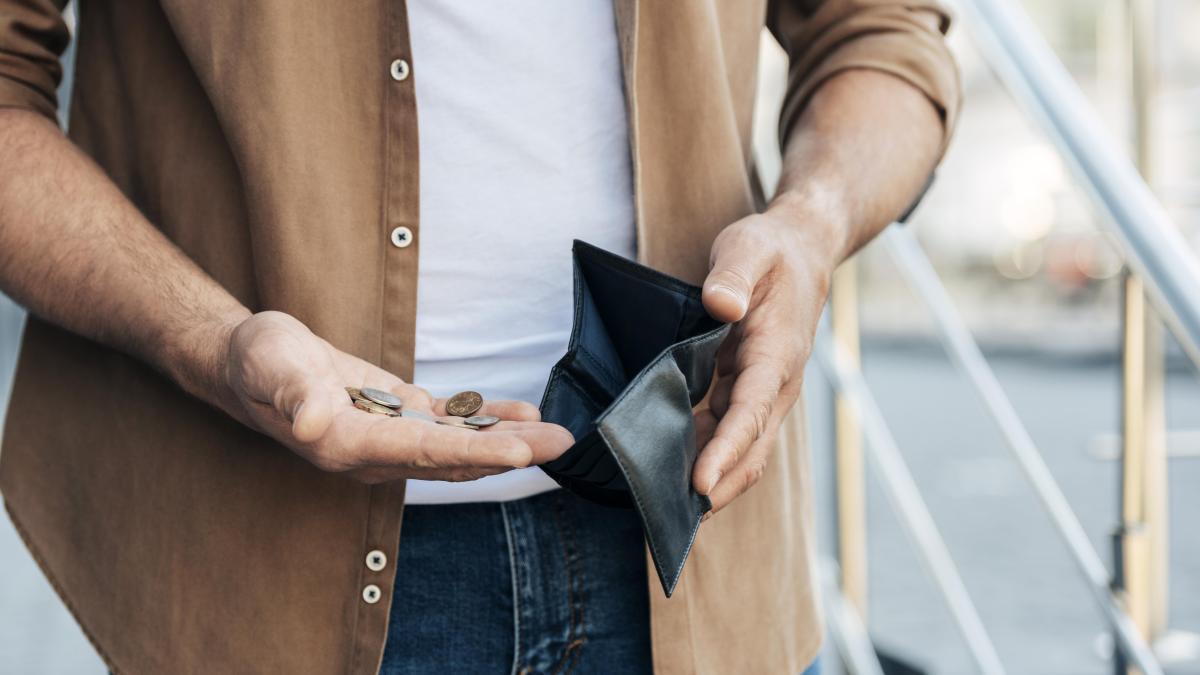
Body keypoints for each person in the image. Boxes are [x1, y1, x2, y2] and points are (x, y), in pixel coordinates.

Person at [0, 0, 959, 673]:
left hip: (694, 559)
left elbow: (880, 30)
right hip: (257, 569)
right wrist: (211, 341)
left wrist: (813, 222)